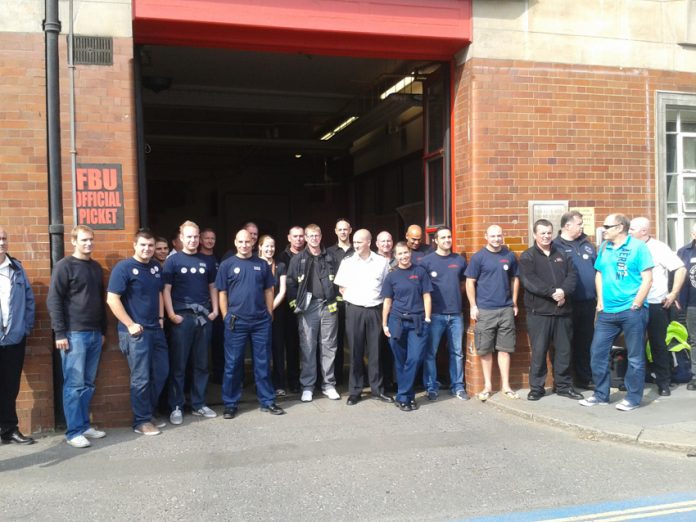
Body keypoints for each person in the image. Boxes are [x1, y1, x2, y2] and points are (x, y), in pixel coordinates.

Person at [580, 214, 653, 411]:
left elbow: (647, 278)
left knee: (635, 356)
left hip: (631, 310)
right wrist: (600, 301)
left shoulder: (638, 247)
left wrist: (637, 303)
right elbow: (599, 274)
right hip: (607, 312)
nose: (603, 229)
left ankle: (633, 398)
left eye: (607, 226)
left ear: (620, 227)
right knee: (597, 352)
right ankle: (601, 394)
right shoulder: (604, 247)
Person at [47, 225, 107, 448]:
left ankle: (83, 426)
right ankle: (73, 432)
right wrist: (59, 332)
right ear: (73, 242)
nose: (88, 244)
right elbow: (54, 300)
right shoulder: (64, 266)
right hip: (73, 334)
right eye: (83, 240)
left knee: (88, 383)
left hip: (93, 334)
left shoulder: (95, 267)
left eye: (91, 240)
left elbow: (99, 301)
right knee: (74, 384)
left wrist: (102, 331)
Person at [216, 230, 285, 418]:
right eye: (241, 241)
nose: (244, 245)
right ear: (235, 242)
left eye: (248, 242)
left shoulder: (262, 265)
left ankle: (268, 401)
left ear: (253, 244)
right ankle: (230, 403)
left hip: (260, 322)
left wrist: (269, 313)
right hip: (236, 322)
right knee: (233, 364)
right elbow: (222, 293)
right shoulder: (227, 265)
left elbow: (269, 290)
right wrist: (225, 316)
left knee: (262, 363)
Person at [106, 229, 169, 436]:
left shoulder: (155, 267)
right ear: (134, 245)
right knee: (140, 378)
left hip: (155, 329)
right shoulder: (123, 268)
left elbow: (159, 293)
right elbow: (112, 299)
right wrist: (130, 324)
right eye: (143, 245)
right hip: (135, 333)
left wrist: (160, 319)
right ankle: (141, 421)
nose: (147, 249)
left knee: (161, 372)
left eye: (150, 245)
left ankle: (148, 413)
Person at [163, 220, 219, 425]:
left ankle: (199, 404)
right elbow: (166, 290)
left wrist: (215, 311)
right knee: (179, 364)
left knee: (202, 364)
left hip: (204, 317)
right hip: (182, 317)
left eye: (196, 236)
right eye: (189, 237)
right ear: (181, 238)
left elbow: (213, 286)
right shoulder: (173, 260)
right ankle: (176, 406)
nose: (193, 240)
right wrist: (170, 314)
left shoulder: (208, 260)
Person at [520, 219, 581, 401]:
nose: (546, 236)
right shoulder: (528, 256)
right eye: (542, 233)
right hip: (539, 313)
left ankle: (563, 386)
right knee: (539, 352)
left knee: (564, 351)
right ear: (534, 235)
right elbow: (529, 281)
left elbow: (572, 276)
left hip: (563, 312)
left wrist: (563, 292)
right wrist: (552, 293)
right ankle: (537, 388)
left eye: (549, 233)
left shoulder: (562, 253)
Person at [334, 229, 392, 405]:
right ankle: (355, 391)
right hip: (355, 310)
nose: (356, 245)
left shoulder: (382, 262)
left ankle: (377, 389)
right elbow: (341, 288)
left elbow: (386, 286)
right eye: (355, 242)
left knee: (375, 351)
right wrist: (354, 300)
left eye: (359, 242)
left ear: (368, 241)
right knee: (355, 351)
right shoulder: (348, 262)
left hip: (375, 310)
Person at [629, 217, 685, 396]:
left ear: (644, 231)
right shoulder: (627, 247)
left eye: (632, 229)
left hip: (655, 303)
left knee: (658, 344)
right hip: (634, 303)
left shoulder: (659, 247)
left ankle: (663, 382)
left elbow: (680, 268)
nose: (629, 232)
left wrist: (673, 293)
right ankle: (637, 379)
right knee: (634, 344)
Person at [286, 224, 341, 402]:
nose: (314, 239)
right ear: (306, 238)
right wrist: (296, 303)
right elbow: (290, 283)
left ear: (321, 236)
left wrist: (337, 300)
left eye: (316, 235)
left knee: (329, 346)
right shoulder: (298, 259)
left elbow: (341, 280)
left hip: (328, 306)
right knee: (308, 346)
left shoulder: (330, 257)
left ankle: (328, 384)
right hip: (308, 308)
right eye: (310, 236)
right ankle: (308, 386)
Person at [465, 225, 520, 401]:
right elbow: (470, 282)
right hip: (485, 310)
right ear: (486, 237)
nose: (496, 239)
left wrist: (514, 302)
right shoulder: (478, 258)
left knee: (505, 349)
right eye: (493, 236)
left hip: (505, 309)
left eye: (499, 236)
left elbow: (515, 279)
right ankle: (488, 386)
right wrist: (473, 306)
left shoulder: (509, 256)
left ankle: (506, 386)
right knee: (485, 350)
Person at [382, 241, 432, 411]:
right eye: (400, 254)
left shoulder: (420, 272)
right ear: (395, 256)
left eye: (406, 253)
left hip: (417, 321)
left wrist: (427, 318)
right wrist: (384, 324)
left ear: (410, 253)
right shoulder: (392, 276)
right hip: (396, 321)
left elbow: (426, 296)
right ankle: (408, 397)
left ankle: (402, 395)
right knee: (400, 360)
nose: (404, 256)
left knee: (415, 358)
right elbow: (387, 301)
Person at [420, 226, 469, 401]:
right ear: (435, 241)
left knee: (457, 352)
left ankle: (458, 386)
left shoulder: (459, 260)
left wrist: (456, 297)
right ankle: (431, 387)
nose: (447, 240)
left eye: (449, 237)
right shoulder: (426, 262)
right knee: (431, 352)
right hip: (434, 314)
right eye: (443, 237)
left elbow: (465, 284)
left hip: (456, 314)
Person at [553, 211, 597, 389]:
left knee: (585, 341)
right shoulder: (556, 246)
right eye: (579, 224)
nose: (582, 227)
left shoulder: (587, 245)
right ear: (567, 225)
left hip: (588, 302)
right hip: (567, 303)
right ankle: (563, 381)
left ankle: (584, 378)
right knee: (565, 344)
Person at [0, 226, 36, 445]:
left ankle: (9, 429)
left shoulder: (17, 269)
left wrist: (25, 328)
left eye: (4, 238)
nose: (1, 242)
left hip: (14, 339)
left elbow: (29, 301)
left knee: (11, 386)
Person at [258, 234, 288, 396]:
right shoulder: (254, 264)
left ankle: (279, 384)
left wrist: (270, 309)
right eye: (267, 246)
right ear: (260, 247)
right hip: (258, 313)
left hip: (276, 312)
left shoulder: (281, 265)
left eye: (272, 246)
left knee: (277, 348)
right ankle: (263, 384)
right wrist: (264, 310)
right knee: (262, 350)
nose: (270, 249)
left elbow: (282, 290)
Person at [279, 225, 305, 393]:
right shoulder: (282, 257)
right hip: (289, 307)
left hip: (309, 305)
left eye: (301, 236)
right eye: (295, 236)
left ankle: (312, 378)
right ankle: (293, 380)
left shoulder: (311, 254)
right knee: (292, 344)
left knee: (310, 344)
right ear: (289, 238)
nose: (298, 239)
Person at [327, 218, 353, 386]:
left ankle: (356, 377)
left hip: (354, 301)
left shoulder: (357, 249)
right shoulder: (329, 252)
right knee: (335, 341)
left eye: (346, 229)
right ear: (335, 231)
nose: (343, 232)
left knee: (355, 340)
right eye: (340, 229)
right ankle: (336, 377)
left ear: (350, 230)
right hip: (335, 303)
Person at [375, 230, 396, 389]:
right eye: (382, 241)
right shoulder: (372, 260)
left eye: (388, 241)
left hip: (396, 308)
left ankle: (392, 380)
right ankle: (378, 381)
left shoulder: (398, 261)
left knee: (393, 345)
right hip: (377, 307)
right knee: (377, 346)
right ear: (377, 244)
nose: (386, 244)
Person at [677, 222, 696, 391]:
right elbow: (677, 275)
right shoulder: (684, 252)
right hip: (692, 304)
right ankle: (695, 376)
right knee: (694, 341)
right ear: (693, 235)